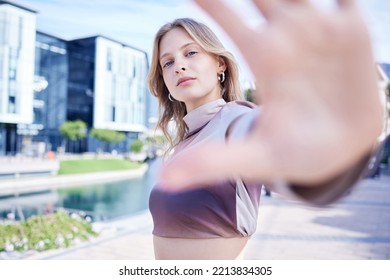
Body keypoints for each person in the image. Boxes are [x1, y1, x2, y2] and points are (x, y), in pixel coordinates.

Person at [148, 0, 384, 260]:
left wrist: (323, 152)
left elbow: (275, 144)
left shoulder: (235, 119)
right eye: (167, 62)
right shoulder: (184, 142)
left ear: (220, 65)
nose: (179, 65)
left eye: (191, 53)